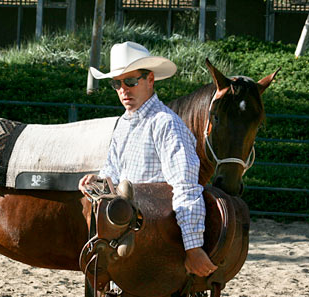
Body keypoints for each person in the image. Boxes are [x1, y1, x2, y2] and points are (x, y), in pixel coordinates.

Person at [79, 41, 217, 278]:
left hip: (156, 237)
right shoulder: (123, 123)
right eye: (117, 83)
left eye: (130, 81)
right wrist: (100, 180)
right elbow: (113, 171)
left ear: (150, 80)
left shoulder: (167, 124)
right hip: (126, 234)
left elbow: (186, 187)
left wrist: (193, 248)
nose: (123, 89)